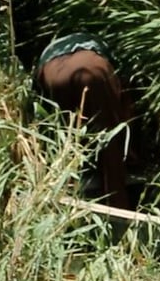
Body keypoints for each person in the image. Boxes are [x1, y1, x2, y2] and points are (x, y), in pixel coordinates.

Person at [36, 32, 132, 210]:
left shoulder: (48, 52)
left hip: (51, 71)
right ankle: (119, 207)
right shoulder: (107, 52)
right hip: (92, 67)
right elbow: (124, 109)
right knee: (110, 139)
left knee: (63, 139)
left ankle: (64, 201)